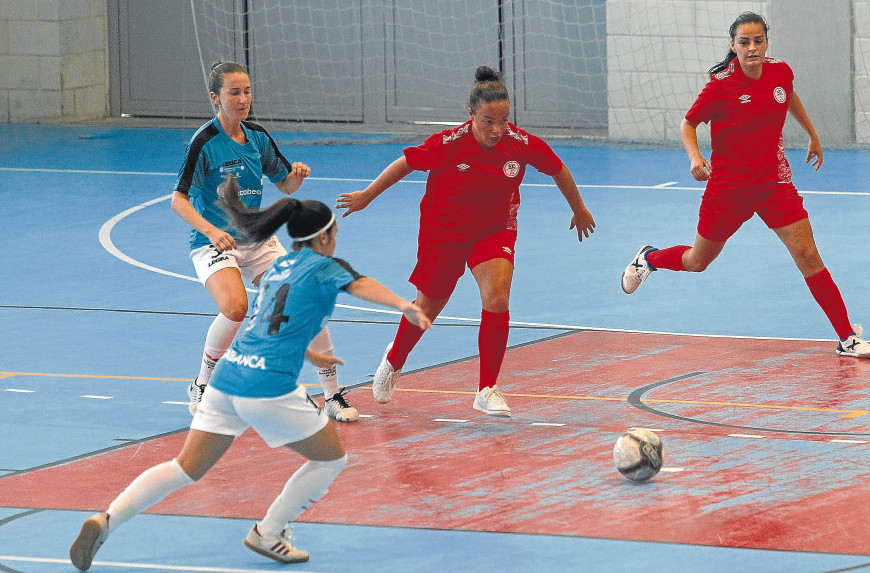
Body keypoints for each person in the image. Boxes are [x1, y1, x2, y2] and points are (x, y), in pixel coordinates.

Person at [70, 177, 432, 572]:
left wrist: (305, 351)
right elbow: (361, 284)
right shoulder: (325, 267)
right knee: (331, 460)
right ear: (325, 237)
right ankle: (269, 533)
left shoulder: (280, 268)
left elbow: (266, 324)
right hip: (267, 386)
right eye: (336, 232)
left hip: (228, 376)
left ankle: (106, 519)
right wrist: (403, 304)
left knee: (185, 468)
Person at [336, 66, 596, 418]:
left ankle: (487, 388)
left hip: (494, 231)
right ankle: (394, 360)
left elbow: (558, 169)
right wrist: (367, 196)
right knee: (427, 308)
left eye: (503, 120)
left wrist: (579, 209)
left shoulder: (519, 144)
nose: (497, 129)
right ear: (470, 114)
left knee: (497, 296)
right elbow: (405, 164)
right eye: (488, 120)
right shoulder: (448, 144)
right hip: (443, 234)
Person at [620, 12, 870, 359]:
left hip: (774, 184)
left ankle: (847, 337)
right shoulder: (721, 85)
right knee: (698, 261)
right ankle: (649, 259)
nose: (752, 47)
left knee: (808, 256)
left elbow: (787, 95)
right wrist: (695, 159)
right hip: (727, 189)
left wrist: (813, 135)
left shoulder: (780, 71)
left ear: (766, 42)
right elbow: (688, 124)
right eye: (744, 42)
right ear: (734, 46)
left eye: (758, 40)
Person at [172, 60, 359, 422]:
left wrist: (297, 177)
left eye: (247, 91)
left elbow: (285, 183)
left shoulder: (257, 137)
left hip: (256, 238)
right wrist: (212, 231)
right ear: (216, 98)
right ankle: (202, 383)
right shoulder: (204, 142)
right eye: (234, 93)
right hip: (212, 241)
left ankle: (333, 395)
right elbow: (178, 200)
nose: (243, 100)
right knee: (236, 308)